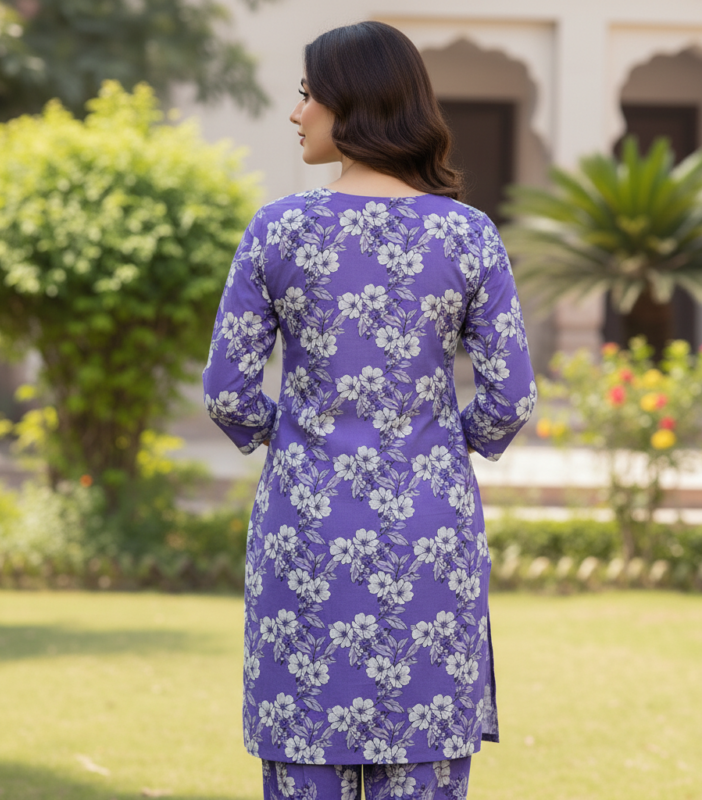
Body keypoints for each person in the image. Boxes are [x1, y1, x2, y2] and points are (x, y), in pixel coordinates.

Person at [202, 20, 537, 800]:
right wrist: (438, 446)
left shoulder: (278, 230)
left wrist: (292, 438)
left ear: (353, 102)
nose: (297, 113)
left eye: (308, 94)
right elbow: (511, 400)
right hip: (430, 533)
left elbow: (227, 394)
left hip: (305, 529)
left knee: (303, 754)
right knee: (422, 763)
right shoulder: (468, 235)